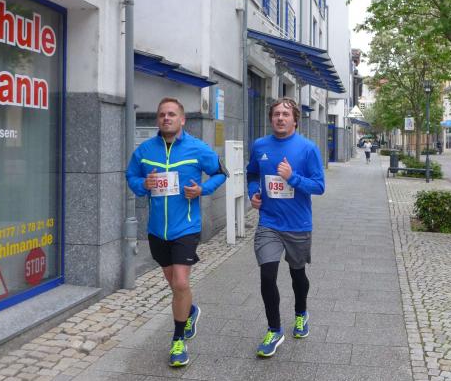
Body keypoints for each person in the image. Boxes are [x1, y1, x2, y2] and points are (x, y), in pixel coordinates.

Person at [126, 97, 227, 367]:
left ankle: (178, 340)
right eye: (162, 114)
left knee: (181, 283)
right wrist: (143, 184)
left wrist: (202, 190)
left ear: (182, 119)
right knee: (174, 284)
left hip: (186, 227)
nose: (166, 118)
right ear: (157, 119)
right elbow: (131, 176)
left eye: (172, 114)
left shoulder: (197, 148)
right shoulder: (145, 150)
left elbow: (221, 173)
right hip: (157, 230)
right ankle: (190, 310)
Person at [246, 97, 325, 357]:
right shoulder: (260, 145)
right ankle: (274, 329)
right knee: (267, 275)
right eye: (276, 114)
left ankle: (301, 313)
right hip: (269, 222)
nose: (280, 118)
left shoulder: (308, 149)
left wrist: (293, 178)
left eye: (286, 114)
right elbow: (252, 174)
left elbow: (319, 186)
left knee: (297, 274)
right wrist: (253, 193)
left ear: (295, 120)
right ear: (271, 118)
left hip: (297, 224)